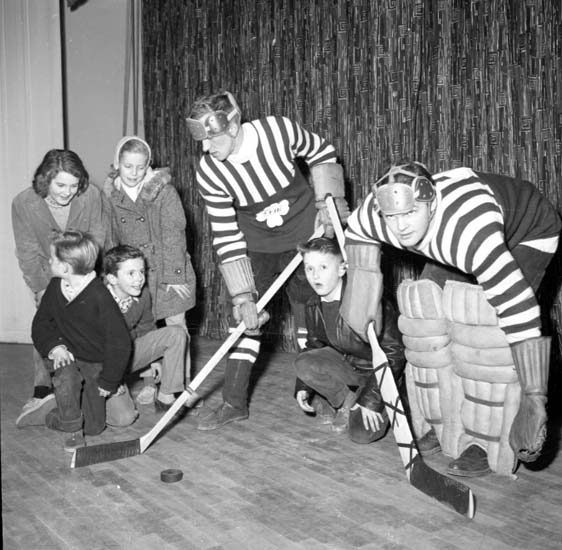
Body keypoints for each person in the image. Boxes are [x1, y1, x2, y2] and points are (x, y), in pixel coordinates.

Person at [345, 161, 561, 475]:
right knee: (424, 320)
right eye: (392, 217)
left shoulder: (469, 232)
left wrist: (534, 394)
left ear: (430, 204)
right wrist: (361, 288)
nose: (401, 226)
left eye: (410, 213)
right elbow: (355, 229)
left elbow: (519, 311)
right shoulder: (376, 215)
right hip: (451, 237)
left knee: (489, 337)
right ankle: (444, 424)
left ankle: (485, 439)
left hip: (529, 229)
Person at [186, 90, 350, 430]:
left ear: (233, 126)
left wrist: (328, 203)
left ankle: (323, 394)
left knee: (312, 317)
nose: (205, 147)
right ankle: (233, 402)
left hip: (306, 235)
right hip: (257, 246)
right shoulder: (209, 172)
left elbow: (322, 151)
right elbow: (226, 234)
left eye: (211, 138)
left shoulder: (278, 131)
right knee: (245, 321)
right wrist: (242, 296)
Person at [12, 149, 109, 428]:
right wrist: (42, 289)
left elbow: (98, 238)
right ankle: (42, 391)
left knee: (90, 325)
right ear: (45, 180)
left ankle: (89, 380)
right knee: (46, 323)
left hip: (85, 269)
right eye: (61, 185)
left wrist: (84, 280)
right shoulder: (23, 203)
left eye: (74, 185)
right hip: (48, 271)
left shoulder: (91, 195)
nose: (68, 192)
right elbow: (28, 251)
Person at [103, 136, 196, 405]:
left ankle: (181, 385)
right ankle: (150, 382)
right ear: (117, 164)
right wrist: (113, 277)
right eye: (128, 166)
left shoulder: (164, 191)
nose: (134, 173)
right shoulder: (110, 196)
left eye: (140, 167)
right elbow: (110, 238)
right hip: (132, 273)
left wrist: (174, 276)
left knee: (177, 326)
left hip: (169, 268)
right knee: (140, 326)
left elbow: (174, 234)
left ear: (149, 165)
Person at [294, 237, 405, 442]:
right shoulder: (313, 304)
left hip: (378, 375)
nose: (315, 275)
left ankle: (360, 400)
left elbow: (395, 353)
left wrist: (371, 400)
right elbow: (313, 347)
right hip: (349, 368)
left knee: (361, 434)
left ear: (342, 268)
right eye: (309, 268)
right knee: (304, 362)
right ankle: (346, 399)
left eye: (323, 267)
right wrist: (303, 387)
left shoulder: (368, 301)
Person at [31, 231, 132, 451]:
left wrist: (109, 380)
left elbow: (120, 343)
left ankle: (54, 412)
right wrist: (55, 347)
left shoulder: (99, 295)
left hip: (94, 362)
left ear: (66, 267)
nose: (49, 262)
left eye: (53, 258)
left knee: (94, 427)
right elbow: (40, 324)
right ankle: (72, 431)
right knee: (67, 377)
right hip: (65, 354)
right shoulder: (55, 287)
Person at [102, 245, 191, 426]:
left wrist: (153, 360)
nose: (139, 279)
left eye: (142, 271)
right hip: (99, 366)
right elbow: (88, 349)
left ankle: (166, 397)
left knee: (176, 333)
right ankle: (74, 399)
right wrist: (109, 381)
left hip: (126, 355)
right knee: (124, 419)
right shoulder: (97, 300)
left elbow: (146, 326)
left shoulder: (142, 295)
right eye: (131, 273)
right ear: (112, 278)